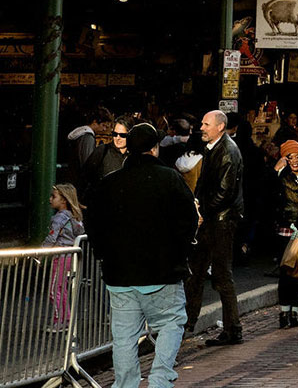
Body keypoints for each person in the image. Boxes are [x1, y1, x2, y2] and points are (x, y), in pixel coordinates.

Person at [87, 123, 197, 388]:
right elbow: (188, 221)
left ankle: (125, 385)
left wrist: (105, 254)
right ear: (155, 148)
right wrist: (179, 254)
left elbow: (93, 223)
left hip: (120, 274)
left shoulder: (110, 182)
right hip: (162, 272)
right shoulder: (169, 178)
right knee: (172, 323)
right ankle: (159, 379)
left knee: (124, 336)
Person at [184, 110, 245, 345]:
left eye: (206, 124)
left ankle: (232, 329)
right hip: (213, 219)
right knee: (197, 272)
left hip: (221, 221)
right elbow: (205, 184)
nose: (202, 127)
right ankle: (188, 324)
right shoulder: (214, 148)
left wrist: (202, 210)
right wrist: (198, 204)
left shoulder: (228, 151)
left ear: (220, 127)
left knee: (220, 275)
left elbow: (224, 193)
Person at [274, 141, 298, 328]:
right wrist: (275, 171)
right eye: (290, 157)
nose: (295, 161)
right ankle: (284, 312)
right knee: (286, 274)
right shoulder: (280, 177)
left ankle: (294, 312)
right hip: (286, 231)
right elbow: (269, 196)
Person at [45, 183, 83, 328]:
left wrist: (40, 253)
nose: (50, 199)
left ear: (64, 200)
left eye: (53, 197)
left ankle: (59, 320)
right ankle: (66, 318)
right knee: (62, 288)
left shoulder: (58, 218)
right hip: (70, 255)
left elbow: (51, 238)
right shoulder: (75, 217)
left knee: (55, 289)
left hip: (60, 255)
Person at [81, 118, 129, 198]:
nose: (118, 138)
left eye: (122, 135)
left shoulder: (135, 156)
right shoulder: (102, 151)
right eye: (115, 134)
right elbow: (85, 176)